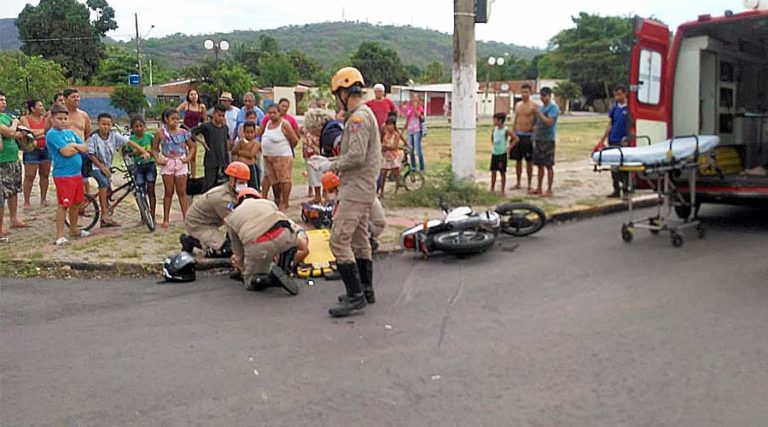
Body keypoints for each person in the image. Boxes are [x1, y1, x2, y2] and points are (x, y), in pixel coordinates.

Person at [326, 66, 382, 318]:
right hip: (363, 186)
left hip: (356, 187)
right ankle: (366, 289)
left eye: (337, 94)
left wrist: (331, 164)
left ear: (344, 91)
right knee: (360, 239)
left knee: (338, 239)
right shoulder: (363, 114)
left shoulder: (358, 118)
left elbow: (357, 156)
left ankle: (355, 294)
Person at [225, 188, 301, 294]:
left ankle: (269, 279)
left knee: (249, 282)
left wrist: (244, 271)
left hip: (259, 246)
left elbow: (239, 251)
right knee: (292, 239)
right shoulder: (268, 203)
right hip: (284, 237)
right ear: (257, 196)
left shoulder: (231, 218)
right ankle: (284, 269)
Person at [87, 113, 150, 228]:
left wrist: (143, 152)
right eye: (103, 124)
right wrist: (102, 167)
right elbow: (91, 155)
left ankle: (105, 220)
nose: (105, 127)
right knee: (103, 183)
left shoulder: (114, 136)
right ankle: (105, 214)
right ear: (98, 124)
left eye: (108, 124)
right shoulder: (93, 138)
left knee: (108, 190)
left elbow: (130, 143)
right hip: (94, 166)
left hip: (107, 165)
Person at [180, 161, 250, 257]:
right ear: (232, 180)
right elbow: (233, 224)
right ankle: (191, 241)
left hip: (211, 221)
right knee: (226, 250)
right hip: (197, 224)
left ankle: (204, 240)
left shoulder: (233, 192)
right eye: (241, 182)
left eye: (245, 182)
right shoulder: (222, 199)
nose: (244, 185)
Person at [45, 104, 90, 245]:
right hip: (64, 175)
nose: (63, 121)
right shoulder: (52, 134)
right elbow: (65, 152)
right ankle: (59, 235)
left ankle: (73, 229)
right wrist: (75, 147)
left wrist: (74, 147)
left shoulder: (70, 133)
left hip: (76, 174)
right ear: (52, 119)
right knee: (64, 204)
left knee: (77, 203)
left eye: (65, 118)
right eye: (59, 118)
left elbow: (84, 147)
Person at [152, 108, 195, 228]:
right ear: (166, 119)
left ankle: (186, 217)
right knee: (168, 191)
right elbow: (154, 148)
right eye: (173, 119)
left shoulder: (183, 132)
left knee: (182, 191)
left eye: (177, 119)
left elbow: (192, 147)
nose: (175, 121)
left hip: (180, 162)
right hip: (168, 162)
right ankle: (166, 218)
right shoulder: (160, 133)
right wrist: (158, 159)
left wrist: (188, 158)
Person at [0, 92, 29, 238]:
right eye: (0, 100)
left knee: (14, 189)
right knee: (2, 193)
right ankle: (1, 225)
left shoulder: (6, 117)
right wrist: (15, 124)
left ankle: (14, 218)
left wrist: (13, 130)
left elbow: (17, 134)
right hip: (2, 160)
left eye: (4, 100)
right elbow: (11, 132)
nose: (3, 102)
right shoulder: (8, 119)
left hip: (13, 157)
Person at [261, 104, 298, 211]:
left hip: (282, 156)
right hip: (269, 157)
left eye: (274, 113)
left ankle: (285, 202)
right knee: (274, 180)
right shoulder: (268, 123)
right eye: (270, 113)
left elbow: (294, 139)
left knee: (284, 179)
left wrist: (286, 149)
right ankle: (277, 200)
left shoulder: (284, 124)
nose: (272, 115)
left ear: (279, 113)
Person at [596, 85, 631, 198]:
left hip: (624, 141)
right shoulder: (615, 108)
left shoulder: (629, 108)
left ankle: (626, 188)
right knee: (614, 167)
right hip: (613, 139)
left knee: (624, 166)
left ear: (625, 94)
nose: (617, 97)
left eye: (619, 94)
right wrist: (603, 138)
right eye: (616, 94)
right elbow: (610, 123)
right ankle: (616, 189)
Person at [191, 103, 232, 192]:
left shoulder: (225, 128)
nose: (221, 118)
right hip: (211, 159)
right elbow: (192, 133)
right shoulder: (207, 126)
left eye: (223, 116)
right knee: (209, 184)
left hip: (222, 159)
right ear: (214, 114)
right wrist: (202, 143)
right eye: (219, 115)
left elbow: (226, 140)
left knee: (220, 185)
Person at [20, 99, 51, 207]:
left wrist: (37, 133)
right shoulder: (24, 118)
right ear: (32, 108)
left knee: (45, 174)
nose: (42, 107)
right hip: (31, 149)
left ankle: (43, 199)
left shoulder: (46, 119)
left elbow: (49, 132)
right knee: (29, 175)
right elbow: (29, 133)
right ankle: (26, 201)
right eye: (39, 105)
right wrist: (43, 132)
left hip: (46, 148)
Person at [126, 115, 157, 222]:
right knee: (140, 191)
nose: (139, 128)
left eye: (141, 126)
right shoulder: (131, 140)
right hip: (138, 167)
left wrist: (149, 153)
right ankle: (144, 216)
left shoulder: (150, 137)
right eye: (136, 126)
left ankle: (152, 215)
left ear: (145, 126)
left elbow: (156, 150)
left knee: (151, 190)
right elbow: (127, 153)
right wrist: (133, 153)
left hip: (150, 165)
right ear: (132, 128)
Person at [531, 87, 560, 198]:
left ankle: (549, 189)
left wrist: (539, 114)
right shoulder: (542, 108)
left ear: (550, 96)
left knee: (548, 165)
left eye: (545, 96)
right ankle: (539, 187)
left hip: (548, 139)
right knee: (539, 165)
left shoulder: (553, 108)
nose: (543, 98)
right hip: (539, 138)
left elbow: (549, 122)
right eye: (541, 96)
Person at [510, 83, 537, 191]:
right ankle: (518, 182)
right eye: (522, 92)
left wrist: (534, 133)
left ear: (530, 93)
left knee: (529, 161)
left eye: (526, 92)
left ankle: (529, 184)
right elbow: (515, 119)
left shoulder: (534, 106)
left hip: (528, 135)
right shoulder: (518, 105)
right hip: (517, 134)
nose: (524, 94)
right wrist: (512, 133)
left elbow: (536, 121)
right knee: (518, 161)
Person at [176, 89, 207, 177]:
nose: (193, 96)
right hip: (184, 130)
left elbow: (205, 121)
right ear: (188, 96)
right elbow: (174, 112)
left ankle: (193, 176)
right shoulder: (186, 105)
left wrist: (201, 131)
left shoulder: (201, 107)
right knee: (182, 154)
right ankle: (184, 174)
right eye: (191, 94)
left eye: (195, 94)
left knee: (193, 156)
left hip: (193, 132)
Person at [490, 112, 519, 196]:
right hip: (495, 153)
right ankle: (492, 188)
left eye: (495, 120)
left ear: (500, 121)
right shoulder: (494, 129)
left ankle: (502, 190)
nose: (494, 121)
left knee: (502, 172)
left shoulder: (505, 130)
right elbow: (492, 138)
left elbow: (516, 139)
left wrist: (509, 147)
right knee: (493, 171)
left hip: (502, 154)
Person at [379, 115, 407, 197]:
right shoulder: (384, 133)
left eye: (391, 125)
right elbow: (381, 142)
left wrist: (385, 147)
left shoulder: (396, 135)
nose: (389, 127)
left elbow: (394, 147)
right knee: (383, 173)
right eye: (388, 125)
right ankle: (382, 192)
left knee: (396, 173)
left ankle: (397, 190)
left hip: (394, 156)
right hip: (386, 156)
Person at [233, 121, 261, 190]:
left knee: (253, 187)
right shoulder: (241, 141)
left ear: (255, 132)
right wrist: (242, 151)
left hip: (251, 167)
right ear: (243, 132)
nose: (249, 135)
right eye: (247, 132)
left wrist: (240, 152)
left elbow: (251, 154)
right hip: (241, 167)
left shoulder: (256, 143)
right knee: (240, 186)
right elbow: (234, 151)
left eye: (252, 132)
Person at [404, 93, 425, 172]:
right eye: (413, 97)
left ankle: (422, 168)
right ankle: (413, 167)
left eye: (416, 97)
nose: (414, 99)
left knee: (418, 149)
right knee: (411, 149)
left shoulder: (420, 107)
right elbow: (408, 119)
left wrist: (415, 107)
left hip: (417, 130)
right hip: (410, 130)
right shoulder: (409, 108)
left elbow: (417, 115)